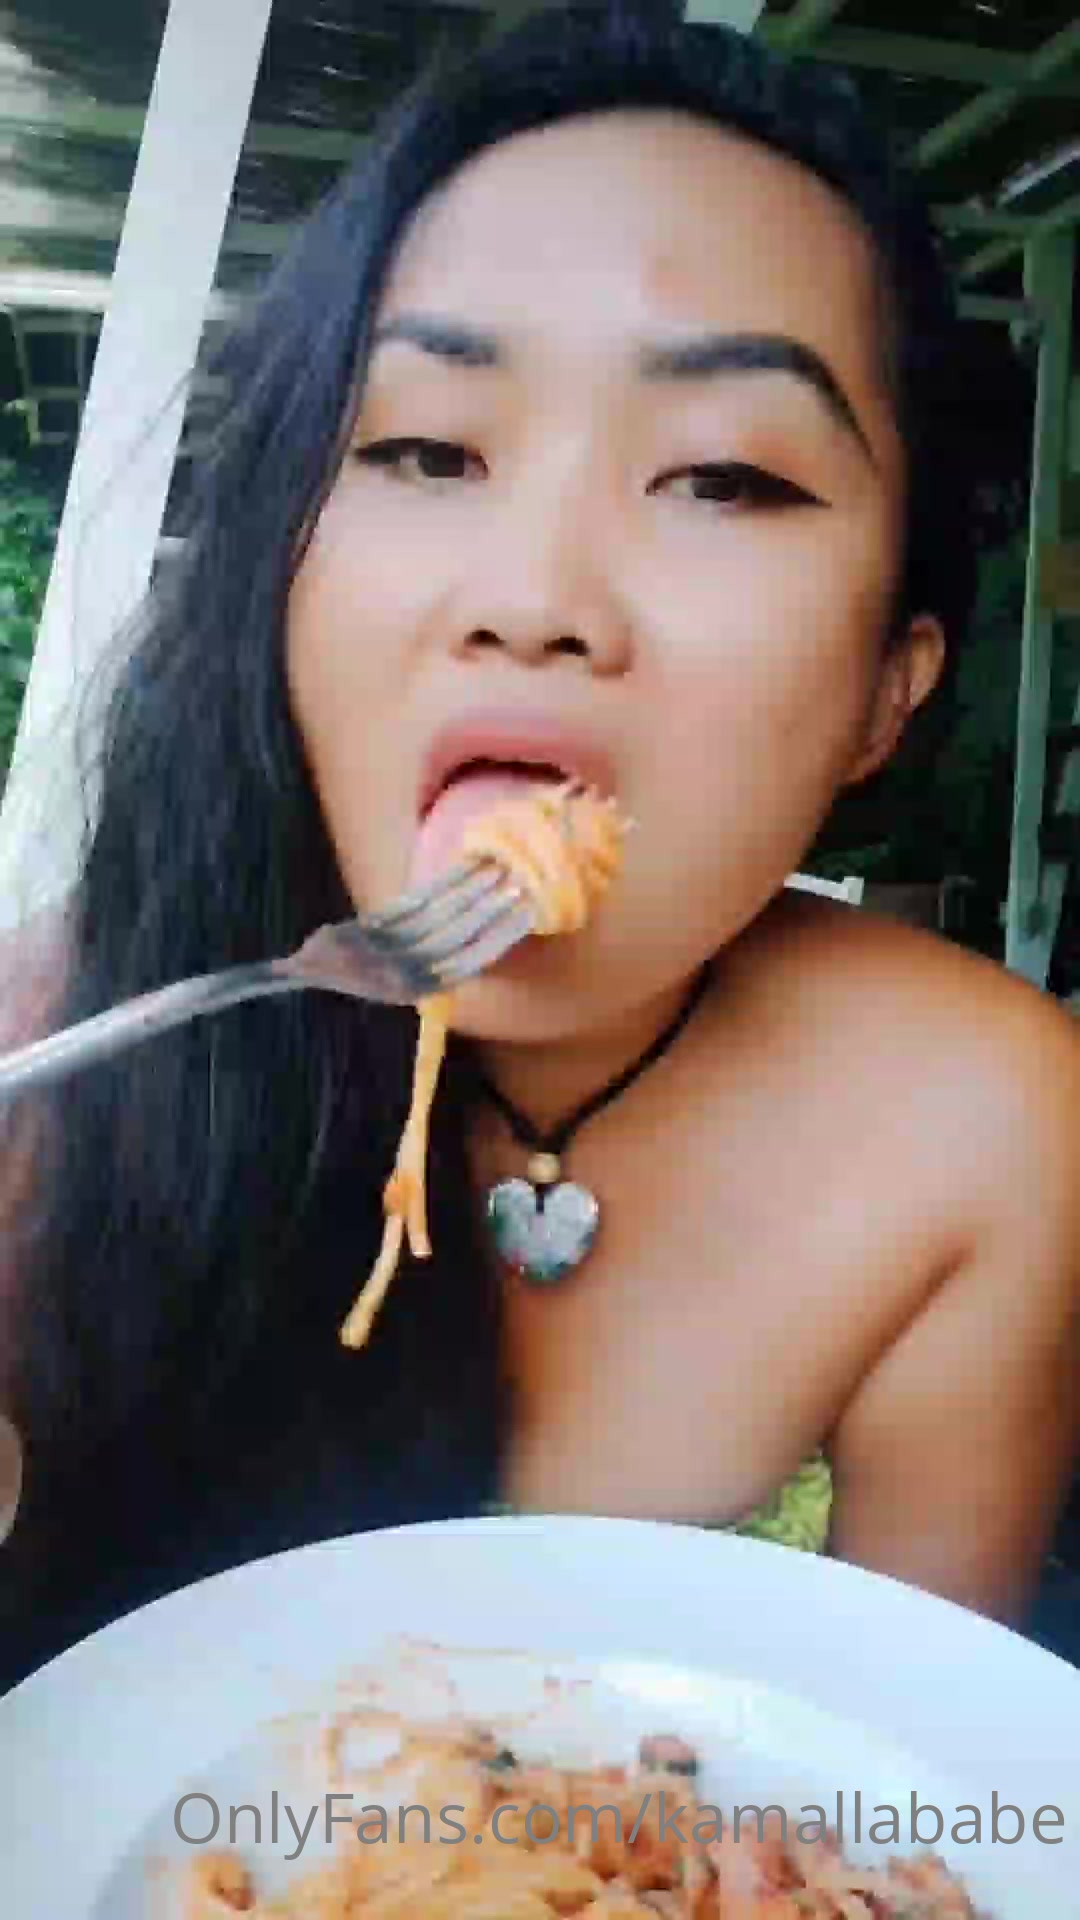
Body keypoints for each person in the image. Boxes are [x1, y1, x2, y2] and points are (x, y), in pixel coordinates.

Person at [1, 5, 1078, 1694]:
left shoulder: (989, 1130)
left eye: (723, 478)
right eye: (425, 448)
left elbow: (907, 1772)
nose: (535, 597)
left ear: (889, 685)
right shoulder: (58, 1062)